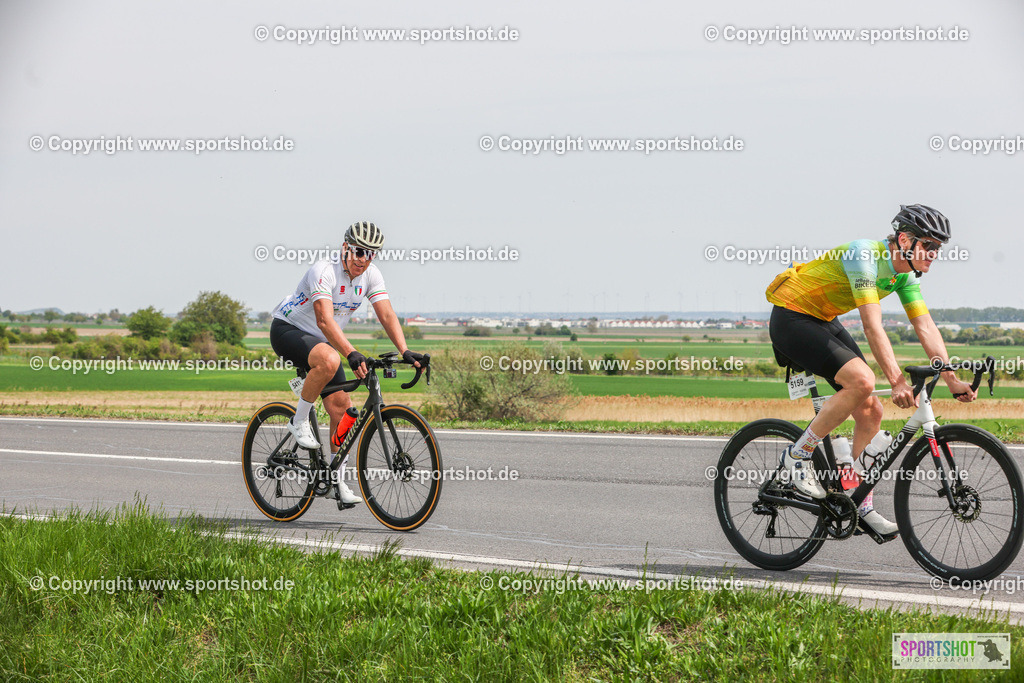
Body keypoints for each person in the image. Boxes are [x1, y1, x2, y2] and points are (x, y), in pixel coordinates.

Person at [765, 204, 976, 537]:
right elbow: (872, 325)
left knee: (871, 411)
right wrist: (897, 381)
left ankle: (858, 502)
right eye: (929, 245)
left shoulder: (905, 276)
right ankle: (797, 456)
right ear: (904, 240)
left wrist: (951, 379)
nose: (934, 253)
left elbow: (924, 326)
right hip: (792, 316)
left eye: (938, 247)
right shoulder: (863, 255)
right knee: (863, 381)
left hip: (823, 319)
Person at [270, 221, 424, 505]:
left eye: (371, 254)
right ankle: (298, 421)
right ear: (345, 247)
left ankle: (335, 480)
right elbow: (324, 320)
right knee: (330, 359)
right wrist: (351, 352)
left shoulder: (371, 275)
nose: (363, 259)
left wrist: (404, 350)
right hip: (288, 330)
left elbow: (386, 315)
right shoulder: (323, 271)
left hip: (321, 342)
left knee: (343, 410)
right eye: (359, 251)